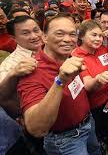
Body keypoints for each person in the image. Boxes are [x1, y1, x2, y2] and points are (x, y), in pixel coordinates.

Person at [17, 14, 101, 155]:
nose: (67, 39)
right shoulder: (32, 72)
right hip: (66, 141)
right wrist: (60, 80)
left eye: (72, 34)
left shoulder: (70, 57)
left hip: (88, 123)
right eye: (59, 34)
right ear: (44, 37)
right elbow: (36, 129)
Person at [0, 15, 43, 155]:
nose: (34, 36)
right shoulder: (11, 65)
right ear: (14, 38)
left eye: (36, 30)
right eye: (26, 33)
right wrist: (13, 74)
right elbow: (2, 97)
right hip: (36, 120)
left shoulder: (48, 49)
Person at [72, 20, 108, 150]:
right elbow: (87, 85)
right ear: (81, 36)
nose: (98, 39)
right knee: (96, 125)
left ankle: (105, 134)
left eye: (100, 36)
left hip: (107, 97)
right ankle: (101, 139)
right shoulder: (76, 56)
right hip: (91, 105)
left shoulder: (102, 49)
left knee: (105, 120)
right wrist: (97, 79)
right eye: (94, 35)